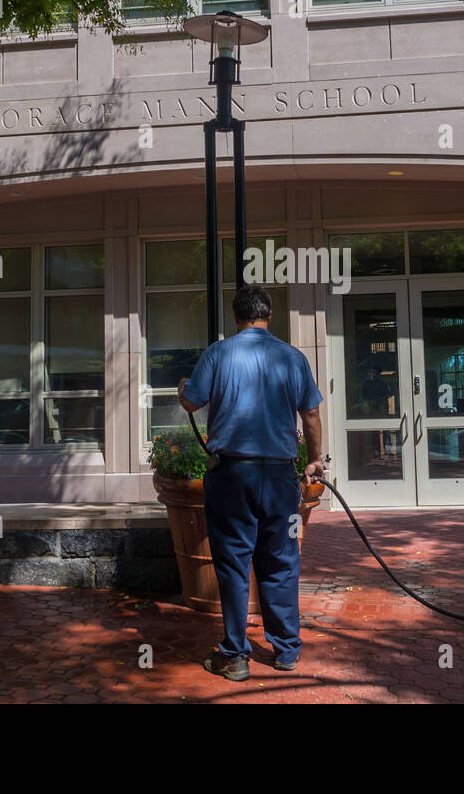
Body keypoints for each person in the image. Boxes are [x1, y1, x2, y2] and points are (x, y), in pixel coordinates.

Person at [178, 284, 324, 681]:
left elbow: (193, 401)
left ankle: (235, 655)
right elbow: (310, 416)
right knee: (280, 559)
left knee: (233, 563)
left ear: (236, 316)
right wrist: (314, 459)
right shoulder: (293, 358)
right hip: (279, 476)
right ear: (268, 315)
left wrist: (181, 390)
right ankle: (287, 650)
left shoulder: (218, 352)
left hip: (232, 475)